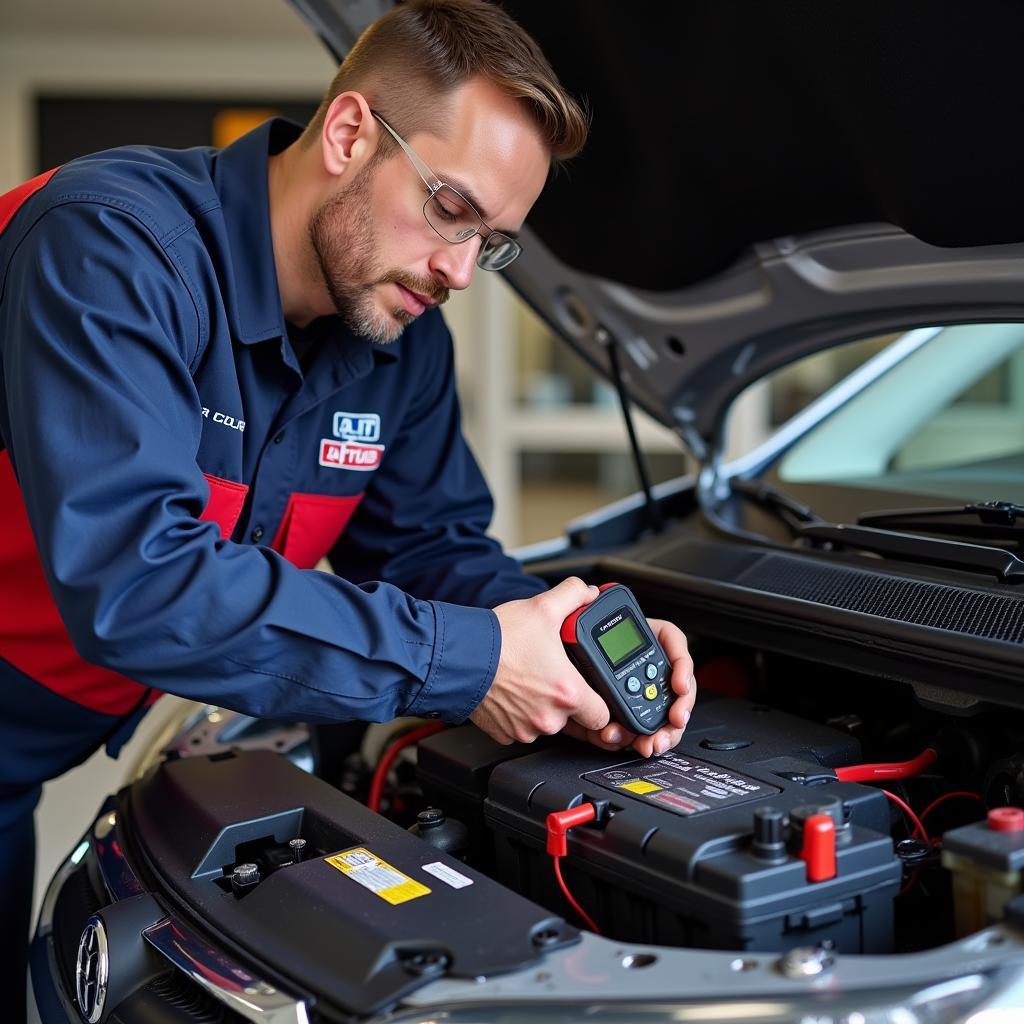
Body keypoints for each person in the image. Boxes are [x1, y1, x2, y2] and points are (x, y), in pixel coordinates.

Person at [0, 0, 696, 1013]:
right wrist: (472, 663)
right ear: (348, 134)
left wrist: (569, 640)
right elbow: (139, 582)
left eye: (493, 242)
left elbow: (430, 547)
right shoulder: (112, 248)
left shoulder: (397, 348)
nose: (461, 271)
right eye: (450, 208)